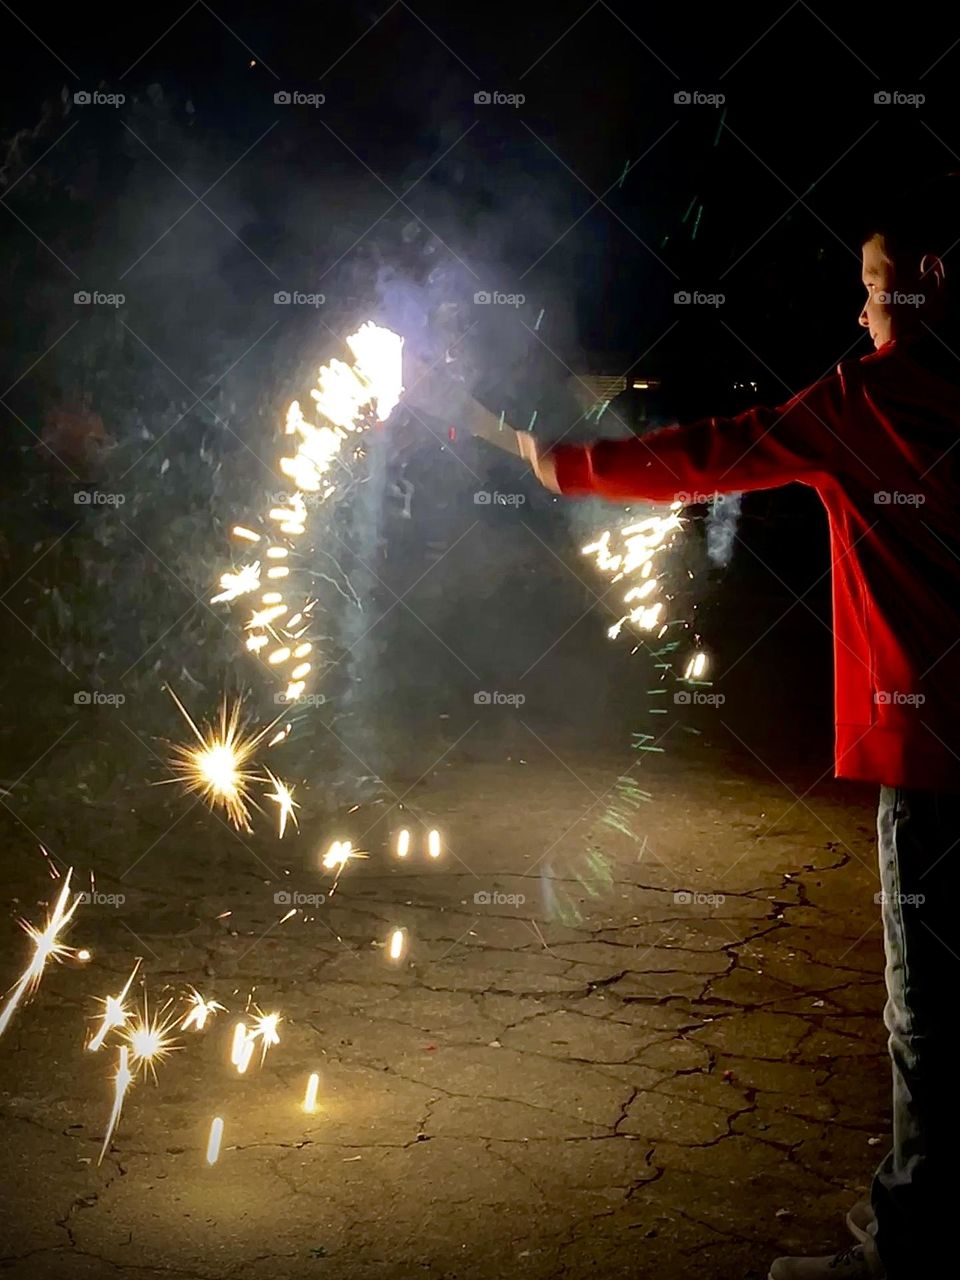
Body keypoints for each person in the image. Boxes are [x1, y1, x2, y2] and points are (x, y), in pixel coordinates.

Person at [518, 175, 960, 1280]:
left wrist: (569, 465)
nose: (861, 308)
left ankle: (910, 1247)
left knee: (927, 1010)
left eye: (873, 284)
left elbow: (713, 453)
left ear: (928, 278)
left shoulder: (861, 403)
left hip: (930, 763)